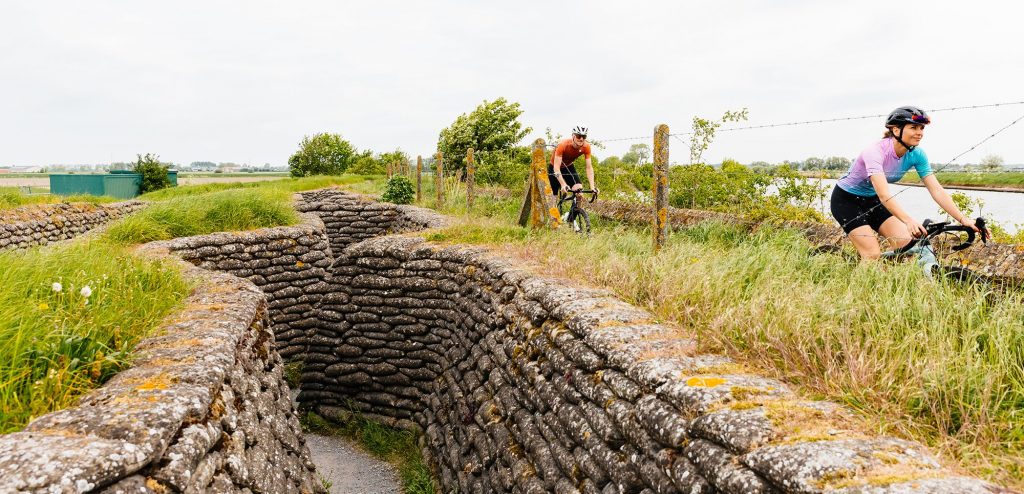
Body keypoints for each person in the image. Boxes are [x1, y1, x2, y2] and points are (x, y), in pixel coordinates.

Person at [830, 105, 984, 260]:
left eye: (921, 128)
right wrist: (908, 221)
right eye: (913, 127)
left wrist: (963, 219)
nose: (919, 133)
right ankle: (860, 282)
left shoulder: (917, 154)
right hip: (846, 201)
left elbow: (937, 190)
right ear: (896, 130)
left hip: (872, 200)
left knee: (906, 244)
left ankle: (887, 280)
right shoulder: (875, 151)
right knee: (871, 254)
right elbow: (884, 195)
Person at [548, 126, 599, 196]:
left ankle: (576, 207)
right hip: (554, 167)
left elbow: (589, 168)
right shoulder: (563, 145)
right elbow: (556, 167)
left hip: (568, 167)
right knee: (553, 196)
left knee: (579, 193)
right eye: (578, 136)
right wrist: (563, 184)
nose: (581, 139)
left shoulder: (586, 147)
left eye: (584, 137)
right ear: (573, 136)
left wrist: (592, 187)